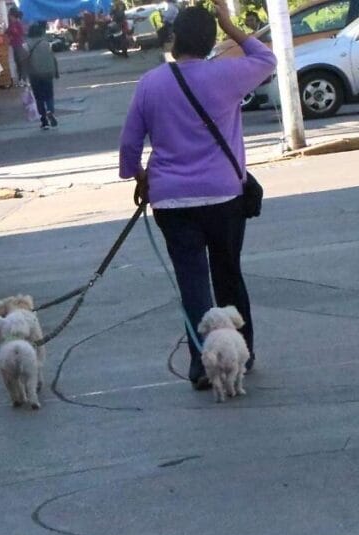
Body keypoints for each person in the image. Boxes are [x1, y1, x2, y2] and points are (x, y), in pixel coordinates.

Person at [118, 2, 275, 390]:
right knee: (228, 274)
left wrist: (140, 176)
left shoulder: (150, 84)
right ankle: (243, 352)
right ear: (210, 42)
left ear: (174, 39)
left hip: (171, 202)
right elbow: (266, 57)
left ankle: (202, 364)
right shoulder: (227, 74)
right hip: (224, 195)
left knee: (193, 283)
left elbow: (128, 147)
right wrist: (231, 26)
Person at [24, 21, 60, 130]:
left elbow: (24, 60)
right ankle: (50, 111)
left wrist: (23, 75)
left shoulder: (26, 45)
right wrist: (56, 72)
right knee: (49, 95)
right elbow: (53, 58)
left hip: (35, 74)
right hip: (48, 72)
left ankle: (44, 121)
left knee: (39, 97)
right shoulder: (46, 43)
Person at [6, 8, 28, 87]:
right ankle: (20, 79)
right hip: (14, 45)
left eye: (10, 15)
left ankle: (23, 79)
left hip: (18, 44)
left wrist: (12, 34)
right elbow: (7, 32)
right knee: (18, 63)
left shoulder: (17, 24)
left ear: (13, 16)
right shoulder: (12, 24)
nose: (9, 17)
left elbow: (21, 33)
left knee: (21, 62)